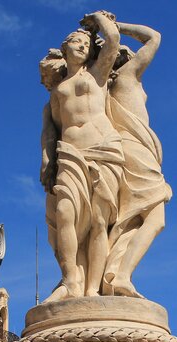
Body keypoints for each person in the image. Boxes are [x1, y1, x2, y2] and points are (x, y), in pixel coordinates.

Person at [40, 11, 123, 302]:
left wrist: (98, 20)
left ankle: (92, 288)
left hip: (103, 149)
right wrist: (47, 161)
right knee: (65, 214)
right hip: (70, 153)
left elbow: (112, 40)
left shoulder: (98, 74)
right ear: (65, 48)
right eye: (76, 41)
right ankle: (70, 281)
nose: (82, 46)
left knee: (100, 221)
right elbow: (49, 131)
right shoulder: (56, 91)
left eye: (86, 44)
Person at [103, 21, 172, 298]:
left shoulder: (107, 86)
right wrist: (115, 24)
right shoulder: (128, 75)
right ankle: (121, 276)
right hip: (136, 151)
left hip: (128, 150)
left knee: (129, 221)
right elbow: (154, 37)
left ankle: (114, 274)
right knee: (156, 219)